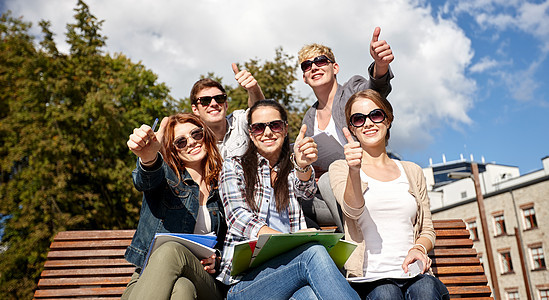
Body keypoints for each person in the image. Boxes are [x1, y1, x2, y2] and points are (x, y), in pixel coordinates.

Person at [217, 99, 360, 300]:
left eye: (274, 125)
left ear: (284, 129)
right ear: (250, 133)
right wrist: (287, 242)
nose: (267, 133)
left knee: (309, 296)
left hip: (289, 273)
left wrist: (302, 166)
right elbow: (238, 218)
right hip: (244, 284)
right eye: (258, 128)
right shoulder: (234, 166)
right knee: (313, 252)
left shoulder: (290, 170)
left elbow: (307, 191)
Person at [329, 89, 449, 299]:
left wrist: (419, 248)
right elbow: (352, 209)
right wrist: (354, 170)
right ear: (352, 128)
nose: (368, 123)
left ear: (388, 120)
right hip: (369, 280)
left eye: (375, 115)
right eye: (358, 119)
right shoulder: (341, 168)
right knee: (386, 293)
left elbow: (427, 229)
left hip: (414, 275)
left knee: (426, 289)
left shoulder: (412, 171)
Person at [298, 27, 395, 232]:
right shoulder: (309, 116)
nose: (314, 67)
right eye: (307, 65)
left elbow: (375, 91)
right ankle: (325, 245)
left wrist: (380, 65)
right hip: (334, 193)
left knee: (327, 179)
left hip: (366, 179)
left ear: (335, 68)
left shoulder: (352, 89)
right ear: (305, 78)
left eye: (321, 61)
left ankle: (354, 239)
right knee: (292, 198)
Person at [123, 113, 227, 300]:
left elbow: (236, 236)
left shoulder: (225, 183)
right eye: (181, 142)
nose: (192, 142)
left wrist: (218, 258)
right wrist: (148, 158)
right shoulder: (166, 177)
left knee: (171, 249)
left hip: (206, 282)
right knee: (182, 289)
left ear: (205, 135)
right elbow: (145, 179)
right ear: (173, 149)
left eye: (196, 134)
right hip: (152, 275)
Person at [191, 64, 265, 158]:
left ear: (226, 105)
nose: (214, 104)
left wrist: (253, 89)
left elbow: (259, 113)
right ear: (195, 109)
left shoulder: (238, 121)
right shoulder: (192, 142)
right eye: (205, 101)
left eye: (219, 98)